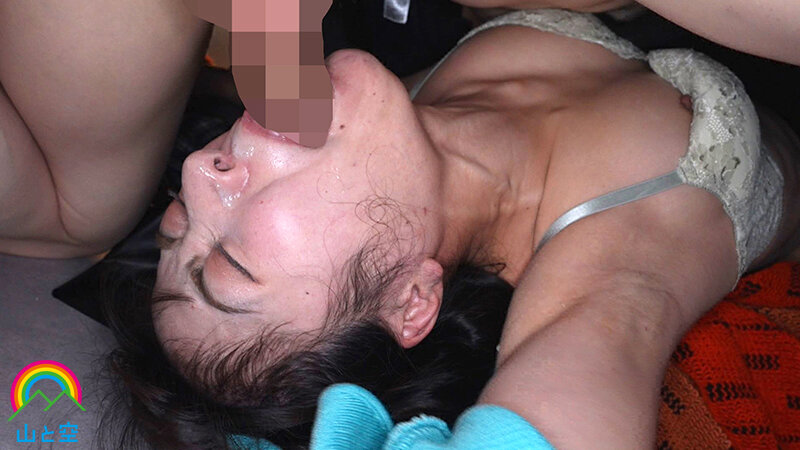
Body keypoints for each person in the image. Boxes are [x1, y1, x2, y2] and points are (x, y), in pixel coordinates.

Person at [2, 2, 799, 450]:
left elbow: (270, 30)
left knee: (83, 199)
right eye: (230, 263)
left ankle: (72, 213)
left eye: (179, 222)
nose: (197, 174)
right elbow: (562, 407)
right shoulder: (607, 259)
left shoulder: (357, 131)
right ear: (410, 300)